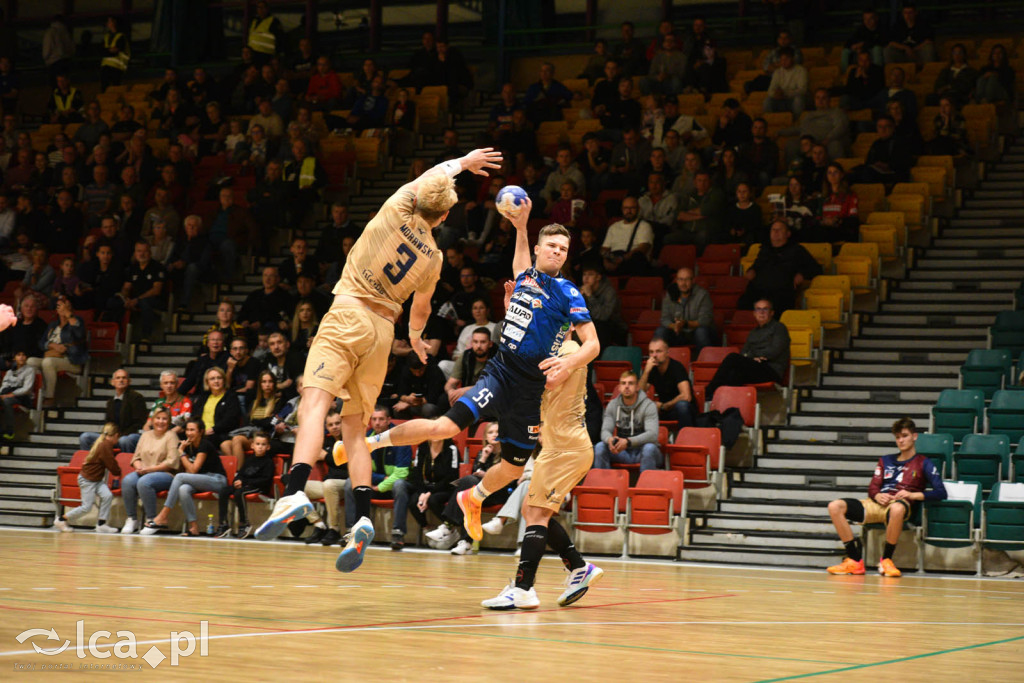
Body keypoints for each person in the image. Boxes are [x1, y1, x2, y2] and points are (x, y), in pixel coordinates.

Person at [253, 146, 502, 575]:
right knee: (355, 428)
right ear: (442, 217)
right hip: (383, 332)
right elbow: (421, 309)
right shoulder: (434, 257)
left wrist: (462, 162)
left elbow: (431, 174)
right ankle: (364, 517)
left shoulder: (397, 207)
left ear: (418, 195)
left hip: (349, 312)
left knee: (313, 405)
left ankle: (293, 491)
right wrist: (416, 338)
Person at [342, 218, 600, 547]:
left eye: (563, 249)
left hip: (530, 395)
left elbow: (592, 345)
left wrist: (568, 362)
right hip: (501, 375)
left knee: (511, 469)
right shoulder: (525, 275)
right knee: (444, 428)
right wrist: (520, 226)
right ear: (538, 249)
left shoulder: (567, 292)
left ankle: (472, 499)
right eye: (552, 246)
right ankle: (368, 444)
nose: (558, 252)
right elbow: (520, 260)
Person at [481, 336, 603, 610]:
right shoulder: (550, 350)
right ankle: (578, 568)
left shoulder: (569, 349)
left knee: (536, 513)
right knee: (532, 510)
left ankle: (523, 588)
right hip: (557, 448)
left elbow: (543, 382)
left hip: (566, 448)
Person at [826, 417, 947, 577]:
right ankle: (854, 561)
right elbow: (873, 487)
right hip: (877, 503)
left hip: (900, 505)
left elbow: (940, 492)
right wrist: (877, 495)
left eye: (904, 436)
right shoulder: (886, 460)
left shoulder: (923, 462)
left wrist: (912, 495)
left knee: (897, 508)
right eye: (898, 437)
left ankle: (886, 560)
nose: (901, 440)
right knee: (835, 506)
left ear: (914, 436)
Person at [341, 406, 413, 550]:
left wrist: (379, 486)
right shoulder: (365, 438)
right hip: (372, 483)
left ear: (388, 420)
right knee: (350, 483)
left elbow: (402, 473)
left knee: (399, 485)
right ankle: (352, 530)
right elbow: (357, 468)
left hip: (393, 485)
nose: (377, 423)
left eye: (381, 419)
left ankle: (398, 534)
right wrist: (378, 479)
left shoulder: (401, 438)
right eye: (374, 419)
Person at [141, 418, 228, 536]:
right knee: (183, 489)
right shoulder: (187, 445)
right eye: (187, 430)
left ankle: (163, 516)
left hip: (217, 480)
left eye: (192, 430)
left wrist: (181, 453)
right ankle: (194, 528)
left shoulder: (204, 444)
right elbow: (189, 472)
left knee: (180, 477)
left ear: (200, 432)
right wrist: (183, 451)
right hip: (201, 479)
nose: (189, 433)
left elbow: (193, 470)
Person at [704, 298, 790, 401]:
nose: (761, 312)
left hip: (771, 370)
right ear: (754, 313)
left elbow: (775, 350)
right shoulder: (753, 332)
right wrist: (753, 358)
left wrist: (753, 356)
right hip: (754, 368)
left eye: (765, 309)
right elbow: (744, 352)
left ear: (772, 313)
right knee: (734, 375)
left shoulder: (779, 328)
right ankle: (723, 404)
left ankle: (709, 391)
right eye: (758, 309)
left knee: (732, 357)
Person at [738, 221, 822, 315]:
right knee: (742, 304)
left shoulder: (797, 250)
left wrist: (802, 275)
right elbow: (756, 266)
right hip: (759, 291)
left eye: (780, 229)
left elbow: (816, 268)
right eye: (773, 230)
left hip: (782, 292)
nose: (776, 232)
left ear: (788, 234)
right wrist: (751, 270)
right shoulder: (765, 250)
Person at [119, 407, 180, 534]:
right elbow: (136, 457)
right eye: (158, 418)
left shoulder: (171, 435)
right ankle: (132, 519)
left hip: (165, 474)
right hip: (144, 471)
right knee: (127, 481)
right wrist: (139, 467)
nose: (161, 421)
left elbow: (171, 462)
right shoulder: (145, 435)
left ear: (169, 421)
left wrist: (149, 469)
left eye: (164, 419)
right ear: (152, 420)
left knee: (144, 482)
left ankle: (152, 520)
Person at [53, 423, 121, 533]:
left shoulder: (102, 443)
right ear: (116, 435)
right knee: (86, 507)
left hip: (96, 479)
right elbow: (111, 463)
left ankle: (101, 524)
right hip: (88, 480)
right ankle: (61, 520)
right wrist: (118, 472)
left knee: (107, 496)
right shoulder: (105, 446)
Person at [592, 370, 661, 472]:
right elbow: (605, 431)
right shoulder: (613, 405)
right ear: (619, 387)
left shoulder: (648, 405)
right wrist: (609, 440)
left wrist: (628, 442)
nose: (627, 386)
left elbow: (652, 435)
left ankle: (647, 486)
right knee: (600, 446)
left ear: (637, 387)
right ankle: (603, 486)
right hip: (621, 451)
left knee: (649, 448)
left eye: (631, 383)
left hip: (642, 451)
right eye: (623, 383)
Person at [28, 296, 87, 407]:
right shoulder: (53, 325)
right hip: (51, 357)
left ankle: (49, 397)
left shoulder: (77, 321)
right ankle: (35, 394)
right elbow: (41, 343)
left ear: (71, 308)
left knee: (48, 362)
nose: (63, 309)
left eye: (66, 306)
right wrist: (51, 345)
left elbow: (79, 334)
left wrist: (68, 315)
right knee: (30, 361)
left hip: (71, 360)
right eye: (60, 306)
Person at [215, 430, 275, 539]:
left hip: (258, 487)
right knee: (224, 491)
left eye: (263, 444)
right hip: (245, 485)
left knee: (239, 493)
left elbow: (265, 480)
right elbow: (241, 474)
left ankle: (244, 523)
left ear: (268, 447)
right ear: (252, 445)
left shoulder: (268, 462)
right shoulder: (249, 460)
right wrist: (236, 481)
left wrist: (244, 483)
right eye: (258, 444)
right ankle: (223, 523)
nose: (260, 447)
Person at [79, 368, 147, 453]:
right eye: (118, 378)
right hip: (113, 436)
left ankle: (125, 465)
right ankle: (90, 465)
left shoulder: (136, 397)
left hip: (129, 436)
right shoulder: (110, 402)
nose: (121, 380)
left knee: (124, 440)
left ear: (129, 381)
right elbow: (109, 423)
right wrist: (107, 435)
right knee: (85, 437)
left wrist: (118, 436)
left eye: (124, 378)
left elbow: (139, 423)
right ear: (112, 382)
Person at [656, 268, 715, 352]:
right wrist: (675, 326)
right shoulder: (670, 294)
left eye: (687, 279)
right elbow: (664, 319)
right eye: (680, 279)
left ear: (693, 280)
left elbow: (705, 320)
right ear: (676, 280)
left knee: (701, 332)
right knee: (661, 331)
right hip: (677, 332)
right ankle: (657, 362)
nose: (683, 283)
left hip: (695, 332)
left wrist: (685, 324)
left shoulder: (702, 295)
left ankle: (704, 362)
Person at [640, 338, 695, 428]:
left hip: (684, 411)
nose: (654, 355)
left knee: (682, 405)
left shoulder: (677, 367)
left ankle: (687, 438)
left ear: (667, 352)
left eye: (658, 351)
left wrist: (664, 406)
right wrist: (646, 371)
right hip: (664, 410)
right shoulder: (652, 369)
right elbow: (639, 393)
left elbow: (686, 396)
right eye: (651, 352)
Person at [190, 366, 242, 456]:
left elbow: (231, 419)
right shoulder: (204, 397)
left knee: (205, 440)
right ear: (207, 382)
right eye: (212, 379)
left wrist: (213, 429)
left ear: (224, 380)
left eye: (219, 378)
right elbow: (195, 416)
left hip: (219, 433)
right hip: (200, 432)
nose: (216, 381)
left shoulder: (231, 396)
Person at [601, 196, 653, 276]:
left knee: (637, 257)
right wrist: (606, 261)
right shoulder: (614, 227)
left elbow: (643, 248)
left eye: (632, 208)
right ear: (622, 209)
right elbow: (605, 248)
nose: (628, 211)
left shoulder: (644, 226)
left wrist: (622, 259)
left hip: (631, 260)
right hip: (613, 258)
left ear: (638, 209)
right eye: (626, 208)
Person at [579, 264, 627, 347]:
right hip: (590, 325)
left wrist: (590, 296)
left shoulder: (609, 292)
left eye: (590, 274)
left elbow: (603, 316)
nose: (586, 278)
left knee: (596, 327)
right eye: (584, 274)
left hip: (611, 327)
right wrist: (578, 299)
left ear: (598, 277)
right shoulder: (580, 290)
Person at [0, 350, 33, 439]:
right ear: (14, 358)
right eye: (18, 355)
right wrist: (2, 394)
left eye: (23, 355)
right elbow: (4, 386)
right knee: (4, 399)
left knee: (7, 400)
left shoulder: (30, 370)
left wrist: (12, 394)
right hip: (8, 394)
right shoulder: (9, 372)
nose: (21, 357)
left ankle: (10, 431)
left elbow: (27, 389)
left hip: (23, 397)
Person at [99, 16, 130, 92]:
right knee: (104, 88)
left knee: (116, 88)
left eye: (109, 21)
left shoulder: (121, 36)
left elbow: (116, 50)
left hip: (117, 67)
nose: (107, 24)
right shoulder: (107, 37)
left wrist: (108, 51)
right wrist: (109, 51)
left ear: (114, 22)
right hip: (106, 67)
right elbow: (102, 50)